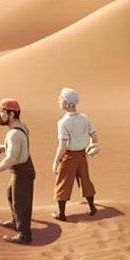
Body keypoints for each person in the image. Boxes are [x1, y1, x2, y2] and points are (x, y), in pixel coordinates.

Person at [0, 97, 34, 244]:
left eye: (2, 111)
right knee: (11, 194)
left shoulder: (13, 134)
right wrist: (4, 146)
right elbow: (22, 144)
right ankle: (16, 221)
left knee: (20, 203)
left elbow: (12, 158)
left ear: (11, 115)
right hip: (24, 167)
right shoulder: (22, 126)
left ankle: (24, 234)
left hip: (22, 171)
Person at [52, 87, 99, 221]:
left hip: (69, 157)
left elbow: (63, 145)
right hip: (82, 156)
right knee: (85, 180)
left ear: (67, 103)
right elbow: (94, 136)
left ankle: (61, 214)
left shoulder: (63, 123)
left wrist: (56, 161)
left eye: (61, 98)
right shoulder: (85, 118)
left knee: (63, 183)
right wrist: (92, 145)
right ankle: (92, 207)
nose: (59, 101)